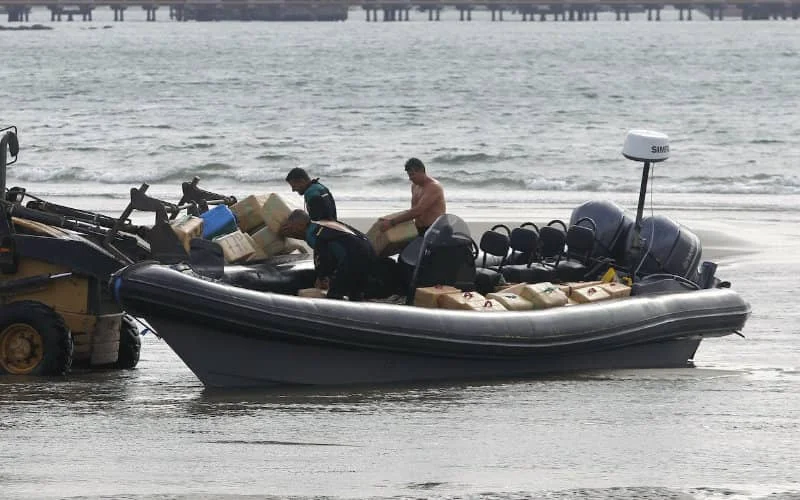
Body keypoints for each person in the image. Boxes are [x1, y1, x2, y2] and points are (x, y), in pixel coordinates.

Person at [280, 209, 375, 301]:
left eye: (291, 227)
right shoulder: (323, 225)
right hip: (369, 253)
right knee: (355, 292)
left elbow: (323, 256)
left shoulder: (313, 234)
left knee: (335, 294)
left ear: (300, 225)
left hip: (353, 258)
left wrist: (322, 277)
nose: (290, 231)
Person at [379, 157, 446, 237]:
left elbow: (418, 211)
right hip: (418, 228)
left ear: (421, 171)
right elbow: (412, 210)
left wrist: (392, 222)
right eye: (409, 175)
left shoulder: (433, 187)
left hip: (434, 229)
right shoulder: (414, 186)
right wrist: (389, 218)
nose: (410, 178)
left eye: (412, 175)